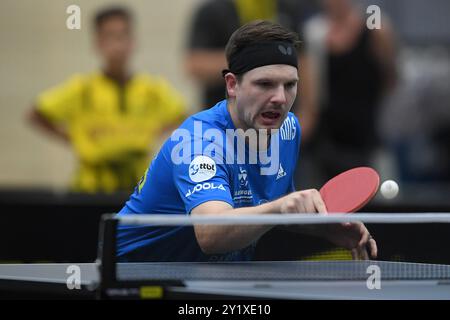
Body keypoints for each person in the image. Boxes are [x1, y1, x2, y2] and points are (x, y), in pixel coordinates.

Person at [117, 20, 377, 262]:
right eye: (265, 84)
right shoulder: (199, 143)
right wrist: (280, 207)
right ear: (232, 85)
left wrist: (325, 229)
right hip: (133, 277)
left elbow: (271, 206)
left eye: (289, 85)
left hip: (207, 279)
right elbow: (211, 233)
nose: (280, 98)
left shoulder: (288, 129)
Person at [28, 6, 187, 193]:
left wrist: (151, 133)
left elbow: (183, 114)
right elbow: (36, 114)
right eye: (110, 36)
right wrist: (76, 139)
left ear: (133, 41)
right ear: (98, 43)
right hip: (89, 189)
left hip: (139, 186)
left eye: (123, 35)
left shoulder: (152, 90)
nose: (118, 44)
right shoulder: (82, 89)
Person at [296, 0, 396, 188]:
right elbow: (309, 97)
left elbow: (391, 80)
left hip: (367, 138)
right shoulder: (312, 32)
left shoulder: (375, 28)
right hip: (325, 141)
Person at [185, 0, 318, 108]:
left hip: (279, 121)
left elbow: (303, 62)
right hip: (227, 122)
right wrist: (254, 57)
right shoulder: (214, 11)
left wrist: (308, 112)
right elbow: (195, 64)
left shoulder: (287, 8)